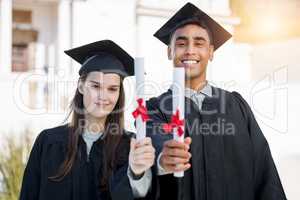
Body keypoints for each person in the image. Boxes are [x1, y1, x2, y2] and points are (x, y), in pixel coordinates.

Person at [145, 2, 287, 200]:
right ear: (169, 52)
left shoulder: (236, 106)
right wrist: (163, 157)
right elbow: (154, 140)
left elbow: (264, 172)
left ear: (211, 52)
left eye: (199, 43)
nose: (190, 50)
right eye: (181, 43)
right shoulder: (153, 109)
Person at [19, 40, 155, 200]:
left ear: (119, 94)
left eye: (112, 89)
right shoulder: (48, 142)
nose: (103, 96)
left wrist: (137, 173)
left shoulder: (131, 146)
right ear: (81, 86)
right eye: (96, 86)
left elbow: (142, 195)